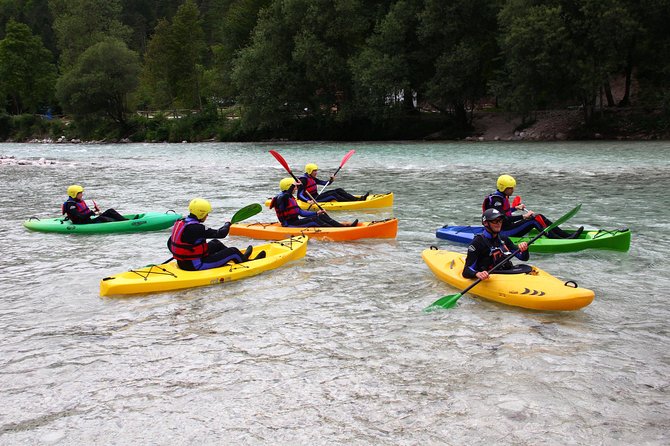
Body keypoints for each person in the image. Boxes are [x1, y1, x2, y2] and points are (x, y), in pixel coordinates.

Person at [167, 198, 265, 271]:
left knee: (215, 243)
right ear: (201, 214)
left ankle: (240, 257)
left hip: (182, 263)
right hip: (195, 266)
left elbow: (169, 243)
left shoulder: (180, 222)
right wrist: (228, 224)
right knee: (233, 251)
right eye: (206, 213)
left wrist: (183, 254)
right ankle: (244, 261)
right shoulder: (196, 228)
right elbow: (221, 234)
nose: (207, 215)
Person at [482, 174, 583, 239]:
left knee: (538, 215)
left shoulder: (502, 196)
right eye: (510, 188)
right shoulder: (496, 200)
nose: (513, 190)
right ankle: (559, 240)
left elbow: (505, 212)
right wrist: (523, 216)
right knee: (533, 220)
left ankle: (566, 235)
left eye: (513, 188)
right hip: (503, 232)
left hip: (508, 227)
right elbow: (504, 218)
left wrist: (515, 208)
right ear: (503, 187)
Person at [463, 209, 530, 280]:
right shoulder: (477, 242)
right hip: (489, 277)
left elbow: (523, 258)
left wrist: (524, 249)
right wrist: (477, 274)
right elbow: (466, 271)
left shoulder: (504, 239)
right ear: (486, 223)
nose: (499, 223)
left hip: (505, 273)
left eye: (500, 220)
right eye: (495, 221)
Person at [270, 178, 358, 228]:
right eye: (295, 187)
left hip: (296, 221)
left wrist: (316, 212)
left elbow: (301, 212)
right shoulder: (280, 198)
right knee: (315, 220)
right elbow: (285, 197)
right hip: (289, 225)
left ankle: (340, 227)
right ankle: (340, 229)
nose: (296, 188)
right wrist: (293, 185)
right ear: (289, 187)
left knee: (321, 216)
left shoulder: (291, 198)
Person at [297, 163, 369, 203]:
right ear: (309, 171)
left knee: (338, 190)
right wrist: (308, 201)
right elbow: (299, 195)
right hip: (313, 199)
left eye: (316, 170)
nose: (316, 172)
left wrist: (331, 180)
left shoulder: (312, 178)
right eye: (314, 171)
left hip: (317, 196)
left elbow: (325, 183)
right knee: (333, 195)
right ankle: (355, 202)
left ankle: (357, 199)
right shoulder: (303, 180)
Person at [62, 184, 127, 224]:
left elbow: (85, 213)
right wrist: (92, 212)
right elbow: (80, 217)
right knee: (103, 219)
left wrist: (95, 211)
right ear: (74, 194)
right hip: (83, 223)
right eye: (80, 193)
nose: (82, 194)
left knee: (110, 211)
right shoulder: (71, 205)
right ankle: (124, 223)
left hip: (88, 220)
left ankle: (126, 221)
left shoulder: (77, 201)